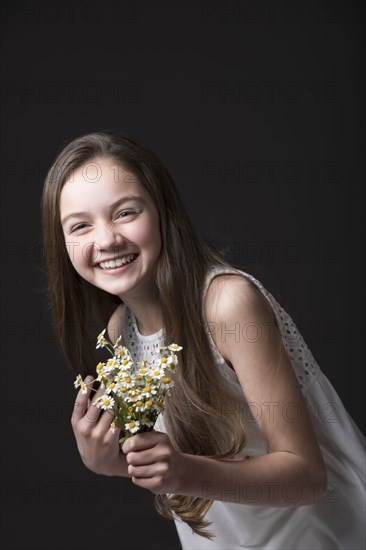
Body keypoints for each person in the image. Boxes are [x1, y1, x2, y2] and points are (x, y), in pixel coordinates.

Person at [41, 130, 365, 549]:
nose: (106, 240)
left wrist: (182, 472)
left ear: (161, 210)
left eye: (125, 213)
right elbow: (182, 469)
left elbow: (306, 477)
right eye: (80, 225)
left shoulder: (225, 304)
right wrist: (116, 464)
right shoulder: (122, 331)